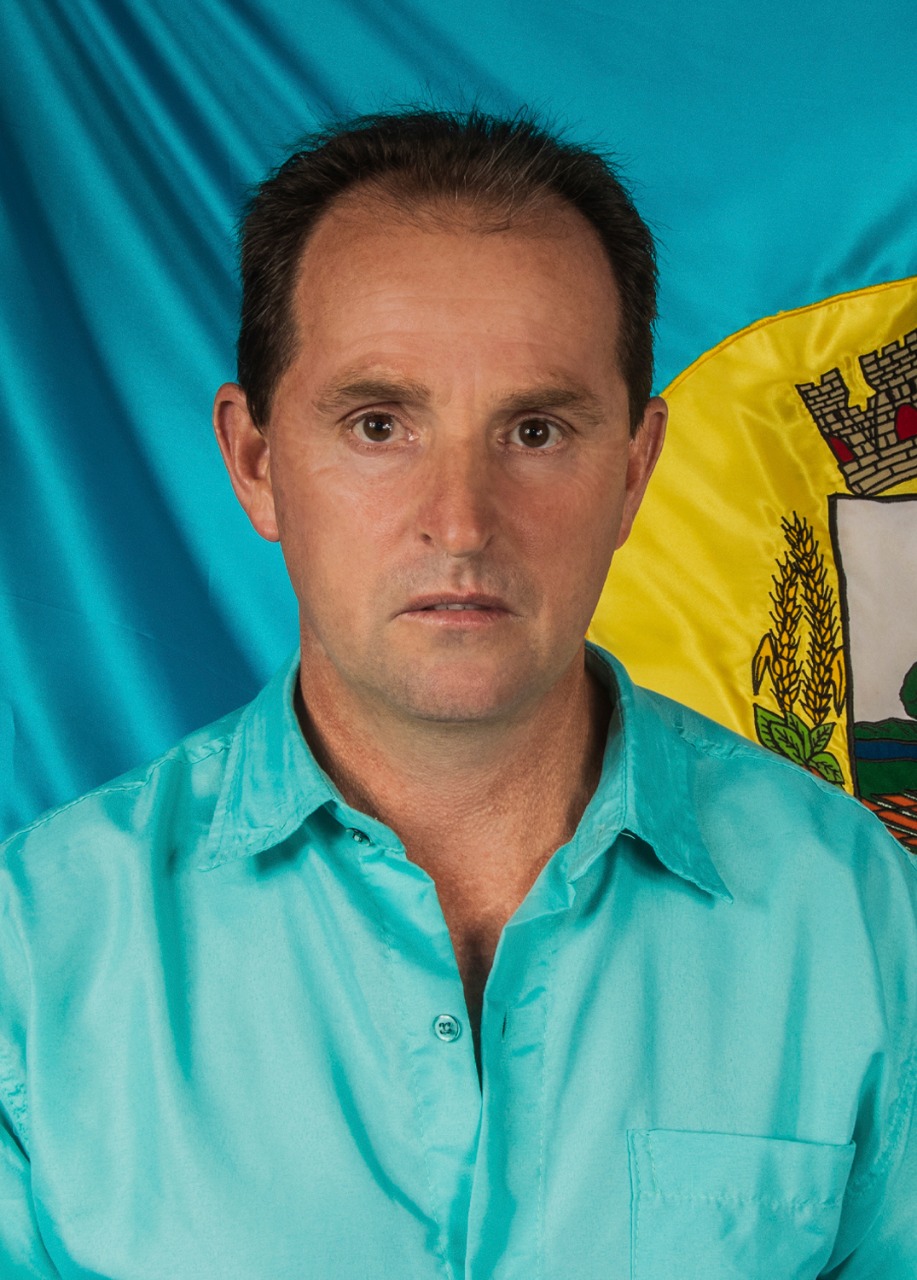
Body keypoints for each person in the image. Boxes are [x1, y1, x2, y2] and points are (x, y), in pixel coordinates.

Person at [1, 109, 915, 1280]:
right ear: (256, 461)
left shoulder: (860, 919)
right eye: (378, 424)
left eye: (533, 429)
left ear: (633, 470)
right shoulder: (37, 952)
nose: (461, 520)